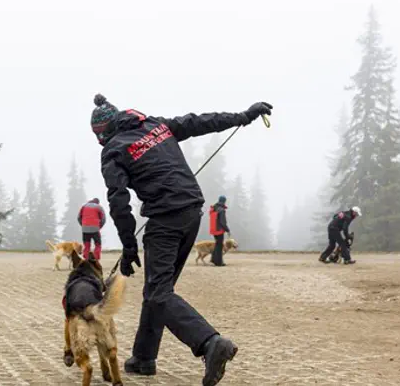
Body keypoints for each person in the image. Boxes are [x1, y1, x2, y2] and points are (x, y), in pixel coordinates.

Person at [91, 93, 272, 386]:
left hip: (165, 219)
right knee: (158, 289)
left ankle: (210, 342)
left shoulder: (113, 149)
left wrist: (127, 246)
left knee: (159, 292)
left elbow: (118, 201)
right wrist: (242, 116)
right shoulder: (156, 126)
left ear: (103, 134)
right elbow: (198, 122)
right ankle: (144, 358)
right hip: (191, 212)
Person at [209, 196, 231, 267]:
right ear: (224, 201)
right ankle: (218, 262)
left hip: (214, 230)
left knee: (217, 244)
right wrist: (227, 230)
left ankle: (214, 260)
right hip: (219, 230)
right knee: (219, 245)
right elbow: (222, 222)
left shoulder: (214, 208)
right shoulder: (221, 210)